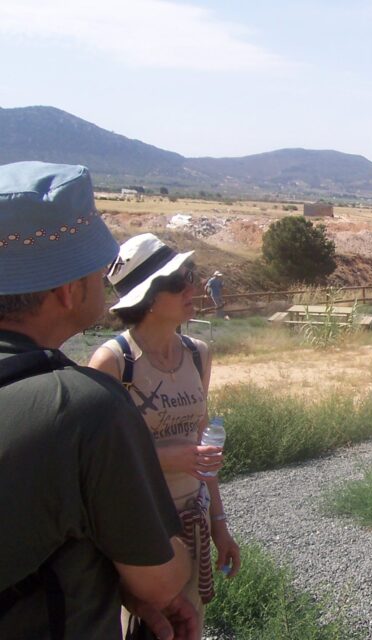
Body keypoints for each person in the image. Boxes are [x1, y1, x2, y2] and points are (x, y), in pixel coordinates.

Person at [0, 161, 197, 639]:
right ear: (68, 291)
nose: (104, 279)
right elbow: (160, 580)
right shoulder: (82, 406)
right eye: (94, 268)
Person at [89, 234, 241, 631]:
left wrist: (220, 525)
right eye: (178, 282)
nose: (192, 288)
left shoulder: (197, 353)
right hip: (140, 532)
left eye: (189, 276)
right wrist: (168, 458)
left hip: (194, 522)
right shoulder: (112, 362)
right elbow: (94, 466)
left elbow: (204, 445)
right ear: (149, 298)